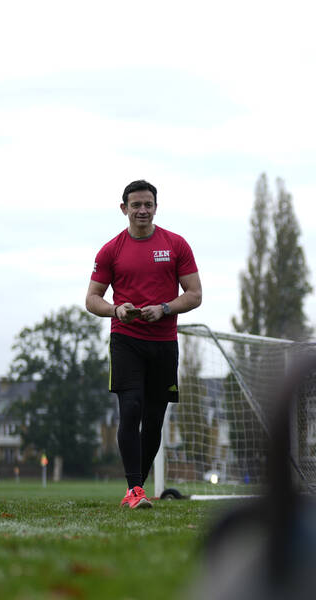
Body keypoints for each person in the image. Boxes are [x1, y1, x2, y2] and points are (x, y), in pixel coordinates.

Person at [85, 179, 203, 509]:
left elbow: (195, 294)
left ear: (155, 207)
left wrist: (164, 308)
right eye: (135, 205)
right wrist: (115, 309)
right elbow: (92, 299)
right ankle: (135, 489)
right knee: (131, 409)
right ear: (124, 208)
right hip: (126, 340)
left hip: (164, 342)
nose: (142, 210)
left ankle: (137, 487)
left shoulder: (176, 244)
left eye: (147, 204)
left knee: (153, 419)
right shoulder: (111, 250)